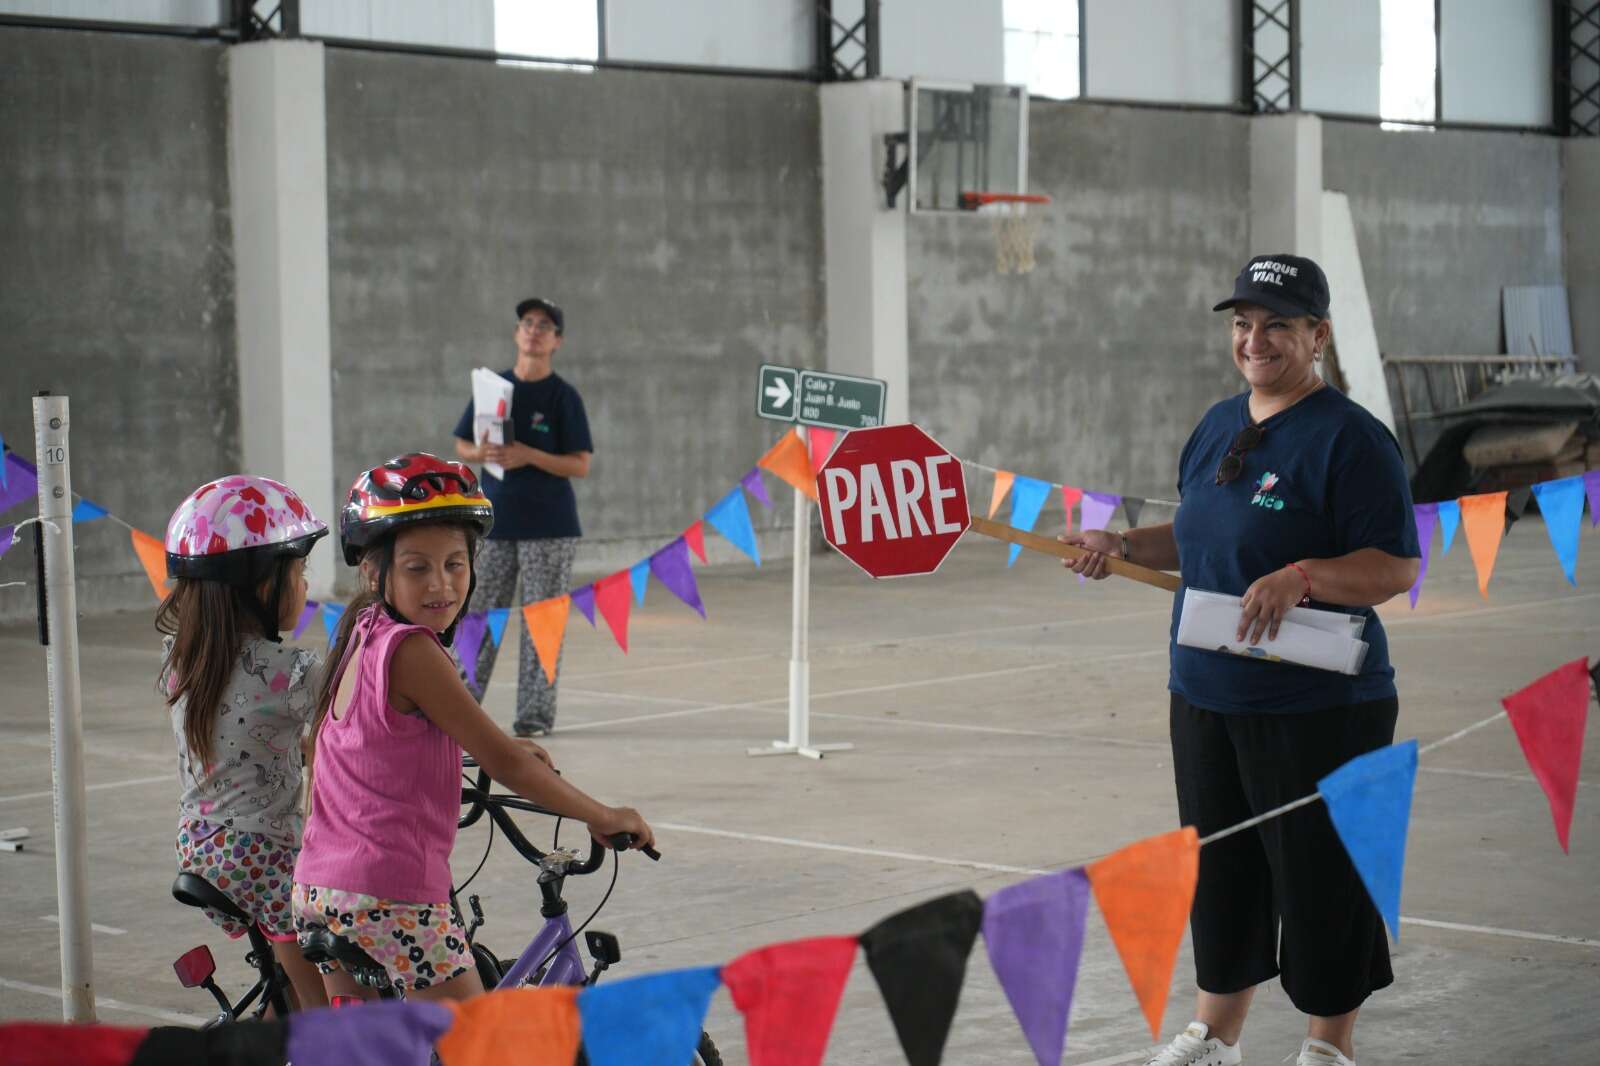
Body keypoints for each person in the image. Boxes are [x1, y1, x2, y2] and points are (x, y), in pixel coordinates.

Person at [1063, 254, 1421, 1066]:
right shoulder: (1219, 424)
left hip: (1318, 706)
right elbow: (1198, 536)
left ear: (1318, 336)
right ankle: (1214, 1034)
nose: (1255, 339)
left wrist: (1304, 578)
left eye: (1278, 325)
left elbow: (1396, 566)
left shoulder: (1351, 440)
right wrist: (1119, 543)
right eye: (1243, 323)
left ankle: (1328, 1046)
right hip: (1206, 692)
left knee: (1321, 877)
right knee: (1222, 870)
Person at [291, 453, 652, 1002]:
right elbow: (504, 764)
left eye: (455, 564)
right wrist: (603, 816)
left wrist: (491, 750)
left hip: (320, 888)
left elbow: (361, 741)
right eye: (417, 568)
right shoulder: (413, 649)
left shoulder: (361, 629)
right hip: (394, 899)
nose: (441, 584)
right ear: (372, 568)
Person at [157, 474, 332, 1012]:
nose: (304, 587)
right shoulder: (291, 671)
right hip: (263, 853)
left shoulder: (181, 658)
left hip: (202, 844)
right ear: (262, 585)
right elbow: (361, 723)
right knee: (330, 1000)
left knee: (292, 984)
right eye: (299, 572)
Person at [452, 297, 593, 738]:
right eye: (527, 323)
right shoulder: (492, 390)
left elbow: (580, 463)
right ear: (517, 333)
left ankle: (535, 714)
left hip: (549, 528)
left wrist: (527, 454)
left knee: (542, 621)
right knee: (477, 616)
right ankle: (458, 704)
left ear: (557, 341)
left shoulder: (563, 397)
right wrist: (484, 453)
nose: (534, 330)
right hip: (492, 524)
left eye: (544, 325)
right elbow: (463, 445)